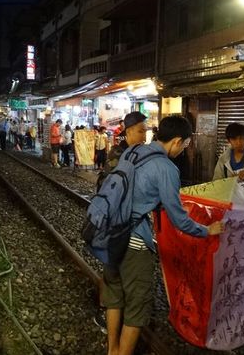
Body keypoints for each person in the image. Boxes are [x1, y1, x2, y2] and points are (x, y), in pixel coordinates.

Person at [103, 115, 224, 355]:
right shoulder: (167, 168)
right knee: (137, 308)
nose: (184, 150)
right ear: (177, 141)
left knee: (114, 297)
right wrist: (207, 230)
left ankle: (112, 350)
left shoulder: (133, 152)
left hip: (109, 234)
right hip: (133, 242)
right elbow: (179, 220)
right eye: (185, 145)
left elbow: (136, 190)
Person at [94, 111, 148, 331]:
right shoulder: (119, 153)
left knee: (120, 270)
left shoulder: (139, 153)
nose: (144, 136)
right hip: (115, 223)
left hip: (128, 223)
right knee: (112, 271)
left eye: (146, 131)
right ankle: (105, 310)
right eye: (141, 131)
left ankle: (115, 311)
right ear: (129, 132)